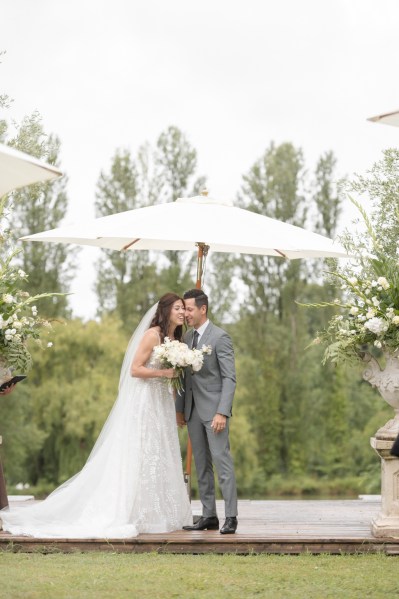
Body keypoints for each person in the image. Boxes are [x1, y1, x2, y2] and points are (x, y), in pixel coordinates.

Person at [0, 293, 192, 538]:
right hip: (145, 401)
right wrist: (164, 373)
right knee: (143, 451)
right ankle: (133, 511)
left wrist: (175, 402)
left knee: (160, 452)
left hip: (162, 401)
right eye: (178, 307)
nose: (182, 312)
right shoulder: (152, 335)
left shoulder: (175, 339)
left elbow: (173, 378)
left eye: (184, 308)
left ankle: (159, 512)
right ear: (166, 310)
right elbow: (135, 369)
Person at [176, 289, 238, 534]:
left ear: (203, 309)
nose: (186, 314)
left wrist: (222, 412)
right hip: (192, 412)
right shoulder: (187, 339)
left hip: (214, 414)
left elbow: (229, 378)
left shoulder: (221, 337)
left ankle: (231, 516)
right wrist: (180, 410)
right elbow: (184, 378)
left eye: (189, 309)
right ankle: (209, 515)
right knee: (201, 465)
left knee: (222, 463)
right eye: (184, 309)